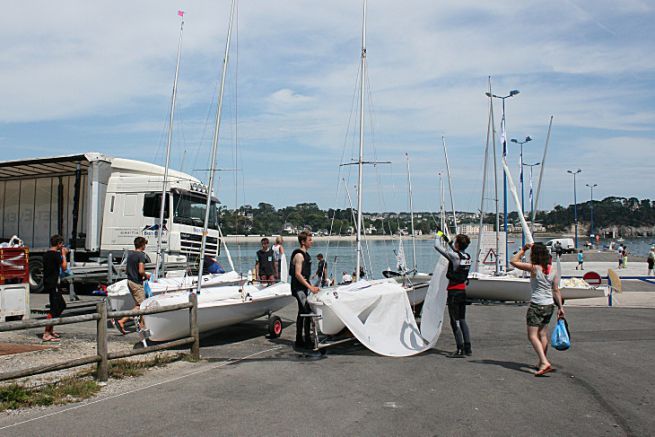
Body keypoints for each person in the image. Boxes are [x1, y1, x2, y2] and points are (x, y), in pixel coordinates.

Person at [511, 242, 565, 376]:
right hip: (549, 305)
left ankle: (544, 362)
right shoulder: (553, 270)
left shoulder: (534, 268)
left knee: (532, 335)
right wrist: (561, 307)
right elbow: (556, 290)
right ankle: (542, 362)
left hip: (536, 304)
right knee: (542, 334)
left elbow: (513, 261)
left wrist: (524, 248)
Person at [434, 231, 473, 358]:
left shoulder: (454, 256)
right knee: (462, 319)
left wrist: (438, 236)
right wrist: (448, 240)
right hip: (462, 292)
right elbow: (456, 252)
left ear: (457, 244)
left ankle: (459, 349)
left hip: (454, 292)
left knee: (454, 321)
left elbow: (437, 247)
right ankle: (468, 348)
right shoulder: (466, 256)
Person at [289, 231, 320, 349]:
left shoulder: (306, 255)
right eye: (309, 240)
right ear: (303, 241)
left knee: (302, 312)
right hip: (298, 288)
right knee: (306, 312)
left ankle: (300, 339)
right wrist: (310, 287)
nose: (311, 242)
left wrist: (311, 286)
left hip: (303, 288)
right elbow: (297, 274)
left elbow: (305, 275)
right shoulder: (299, 255)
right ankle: (305, 339)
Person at [117, 237, 150, 333]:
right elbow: (141, 270)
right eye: (145, 244)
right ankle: (123, 321)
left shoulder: (130, 254)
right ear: (142, 245)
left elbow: (128, 269)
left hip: (130, 281)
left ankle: (141, 325)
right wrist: (145, 275)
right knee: (142, 305)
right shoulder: (141, 256)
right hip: (136, 283)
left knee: (138, 305)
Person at [42, 235, 68, 342]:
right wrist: (64, 255)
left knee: (59, 305)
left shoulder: (46, 254)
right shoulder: (55, 255)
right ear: (58, 244)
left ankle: (51, 329)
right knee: (56, 307)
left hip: (49, 282)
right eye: (61, 244)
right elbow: (64, 267)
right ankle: (47, 332)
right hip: (53, 284)